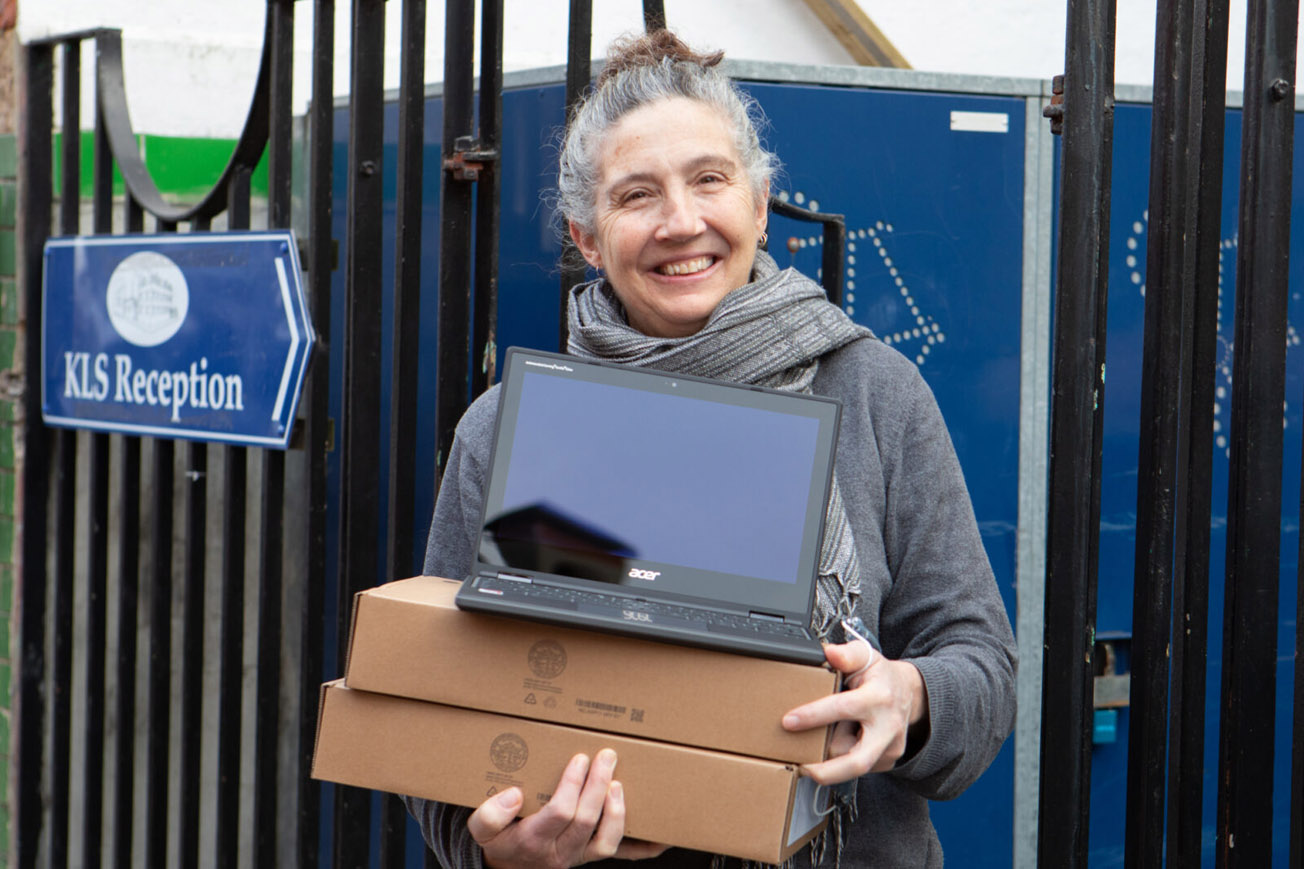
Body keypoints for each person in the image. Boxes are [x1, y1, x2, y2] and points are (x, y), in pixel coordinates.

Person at [406, 28, 1017, 869]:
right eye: (636, 196)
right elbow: (433, 715)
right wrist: (502, 851)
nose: (681, 222)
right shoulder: (505, 430)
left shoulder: (877, 393)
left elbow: (982, 669)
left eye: (709, 180)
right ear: (586, 237)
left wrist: (909, 696)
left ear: (759, 207)